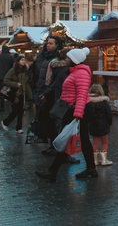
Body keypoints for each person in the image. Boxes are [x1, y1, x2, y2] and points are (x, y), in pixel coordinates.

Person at [35, 47, 98, 182]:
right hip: (75, 109)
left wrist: (77, 114)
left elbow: (81, 95)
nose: (66, 60)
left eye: (68, 58)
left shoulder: (80, 74)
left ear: (74, 60)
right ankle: (91, 169)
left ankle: (52, 171)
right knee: (79, 139)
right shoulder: (75, 72)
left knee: (67, 140)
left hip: (78, 110)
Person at [86, 84, 113, 166]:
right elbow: (109, 116)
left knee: (95, 143)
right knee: (105, 142)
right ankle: (104, 160)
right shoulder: (105, 104)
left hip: (93, 126)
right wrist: (109, 123)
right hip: (104, 126)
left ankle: (95, 160)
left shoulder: (89, 104)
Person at [1, 56, 29, 133]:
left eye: (24, 60)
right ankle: (6, 122)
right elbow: (6, 80)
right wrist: (15, 84)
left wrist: (29, 95)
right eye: (22, 60)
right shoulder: (13, 70)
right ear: (17, 61)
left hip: (21, 93)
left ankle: (18, 128)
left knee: (20, 111)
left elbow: (25, 83)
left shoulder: (24, 71)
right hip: (15, 93)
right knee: (16, 110)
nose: (23, 62)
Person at [0, 45, 14, 112]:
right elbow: (13, 67)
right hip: (8, 77)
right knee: (9, 91)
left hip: (0, 77)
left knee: (2, 92)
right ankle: (11, 105)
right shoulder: (11, 57)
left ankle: (2, 107)